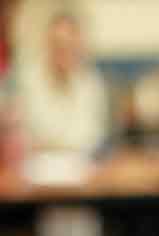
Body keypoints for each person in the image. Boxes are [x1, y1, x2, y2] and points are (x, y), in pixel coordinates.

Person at [13, 10, 107, 154]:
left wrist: (52, 143)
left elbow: (91, 137)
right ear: (47, 45)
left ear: (79, 46)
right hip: (35, 168)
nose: (63, 51)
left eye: (70, 44)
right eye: (58, 44)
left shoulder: (91, 83)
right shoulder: (27, 80)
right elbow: (25, 137)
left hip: (82, 167)